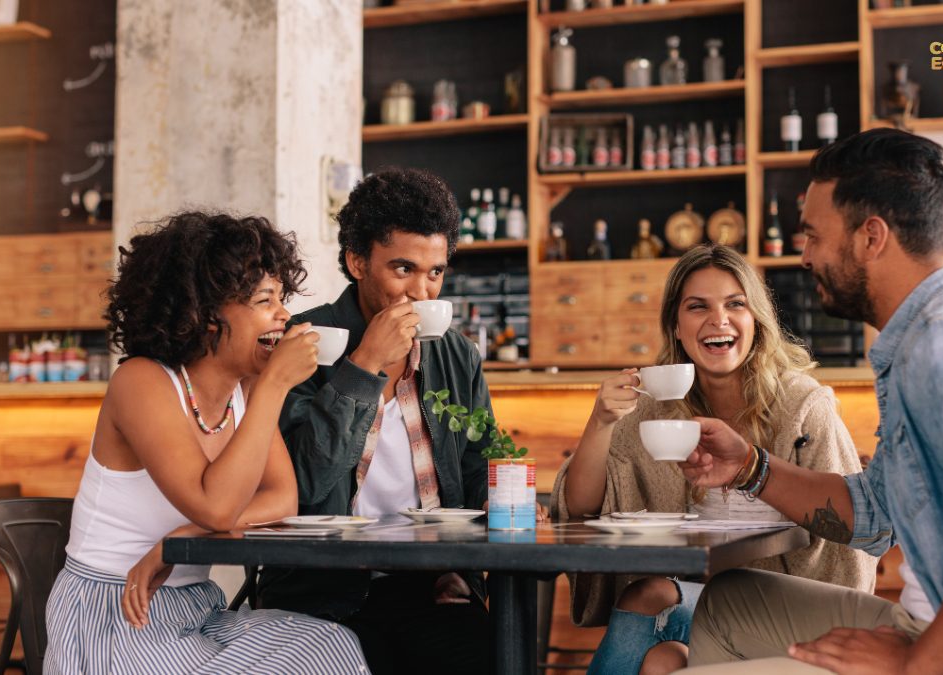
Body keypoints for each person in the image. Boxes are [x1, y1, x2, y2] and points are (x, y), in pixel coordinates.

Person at [679, 128, 943, 674]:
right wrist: (749, 466)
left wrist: (916, 662)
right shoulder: (924, 337)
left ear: (872, 237)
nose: (805, 257)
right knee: (727, 604)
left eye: (815, 236)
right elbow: (873, 516)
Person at [44, 212, 368, 674]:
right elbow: (215, 507)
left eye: (282, 299)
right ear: (207, 317)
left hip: (195, 608)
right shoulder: (142, 382)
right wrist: (275, 384)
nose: (284, 315)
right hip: (115, 610)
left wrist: (183, 539)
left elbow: (282, 500)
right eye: (264, 300)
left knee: (326, 644)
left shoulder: (245, 390)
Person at [551, 244, 875, 674]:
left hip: (794, 612)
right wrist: (601, 420)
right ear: (677, 326)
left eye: (735, 304)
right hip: (708, 608)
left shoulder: (802, 407)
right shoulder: (656, 409)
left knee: (652, 601)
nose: (718, 319)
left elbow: (847, 545)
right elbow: (583, 506)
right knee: (665, 658)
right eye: (697, 306)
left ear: (756, 320)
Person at [255, 168, 493, 675]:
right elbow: (302, 483)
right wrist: (365, 366)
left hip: (431, 584)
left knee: (489, 653)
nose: (423, 293)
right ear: (357, 261)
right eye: (403, 268)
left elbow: (476, 467)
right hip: (325, 590)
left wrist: (493, 504)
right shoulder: (304, 343)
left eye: (435, 272)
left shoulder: (457, 357)